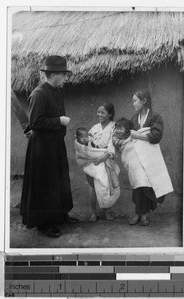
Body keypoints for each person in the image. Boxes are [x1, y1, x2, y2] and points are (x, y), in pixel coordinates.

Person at [20, 55, 77, 238]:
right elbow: (35, 122)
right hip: (42, 150)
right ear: (53, 74)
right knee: (45, 184)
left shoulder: (57, 90)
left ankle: (59, 215)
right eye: (63, 74)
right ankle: (44, 223)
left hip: (55, 146)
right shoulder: (39, 94)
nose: (66, 78)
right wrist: (59, 121)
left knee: (58, 181)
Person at [127, 89, 174, 226]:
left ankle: (144, 215)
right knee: (138, 184)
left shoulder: (155, 117)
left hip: (150, 157)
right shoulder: (133, 119)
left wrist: (138, 136)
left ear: (144, 101)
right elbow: (128, 135)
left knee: (148, 185)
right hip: (137, 157)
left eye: (135, 101)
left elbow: (155, 136)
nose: (133, 104)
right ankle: (137, 213)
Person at [83, 103, 120, 222]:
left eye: (102, 112)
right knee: (92, 186)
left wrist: (102, 158)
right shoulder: (94, 128)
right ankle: (94, 213)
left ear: (110, 114)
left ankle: (106, 212)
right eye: (98, 112)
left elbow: (112, 145)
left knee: (107, 185)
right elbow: (88, 142)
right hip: (93, 159)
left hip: (106, 158)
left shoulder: (114, 127)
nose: (99, 114)